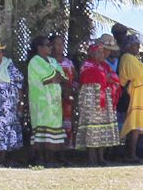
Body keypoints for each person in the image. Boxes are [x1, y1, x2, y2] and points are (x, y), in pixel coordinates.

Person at [76, 34, 122, 165]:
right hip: (92, 101)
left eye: (103, 52)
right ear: (92, 53)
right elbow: (90, 77)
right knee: (92, 127)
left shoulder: (104, 66)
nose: (102, 54)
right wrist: (104, 78)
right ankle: (92, 158)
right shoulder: (87, 65)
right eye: (99, 52)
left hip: (104, 101)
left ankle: (101, 158)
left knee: (103, 128)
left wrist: (106, 78)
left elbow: (114, 78)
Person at [26, 34, 71, 165]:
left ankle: (52, 158)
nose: (50, 47)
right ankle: (41, 158)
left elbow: (62, 76)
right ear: (40, 48)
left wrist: (56, 77)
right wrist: (55, 77)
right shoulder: (35, 61)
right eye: (48, 45)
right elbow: (49, 77)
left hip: (54, 101)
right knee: (42, 129)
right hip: (41, 101)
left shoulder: (52, 61)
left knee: (54, 128)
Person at [116, 34, 143, 160]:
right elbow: (138, 77)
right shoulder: (127, 58)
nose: (137, 47)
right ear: (128, 46)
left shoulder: (134, 59)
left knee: (137, 126)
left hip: (140, 97)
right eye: (135, 45)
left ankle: (132, 153)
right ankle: (130, 154)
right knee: (133, 126)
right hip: (132, 96)